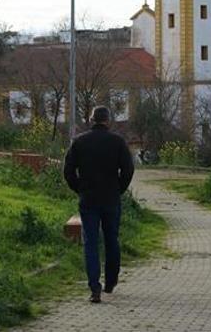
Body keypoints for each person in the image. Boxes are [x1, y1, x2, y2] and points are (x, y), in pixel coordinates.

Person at [63, 105, 135, 303]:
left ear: (91, 119)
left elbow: (68, 171)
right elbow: (128, 169)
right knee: (112, 240)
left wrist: (79, 188)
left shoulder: (79, 142)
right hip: (111, 198)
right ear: (108, 120)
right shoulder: (117, 142)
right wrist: (119, 188)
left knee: (91, 243)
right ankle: (111, 281)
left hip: (89, 199)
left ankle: (94, 287)